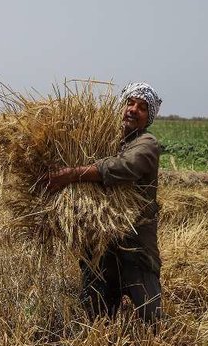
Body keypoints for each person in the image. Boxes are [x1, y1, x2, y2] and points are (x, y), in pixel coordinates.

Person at [45, 82, 163, 324]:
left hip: (134, 240)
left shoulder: (146, 143)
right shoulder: (106, 140)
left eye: (142, 107)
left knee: (150, 315)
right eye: (130, 103)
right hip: (100, 241)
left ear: (148, 116)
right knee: (95, 311)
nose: (133, 109)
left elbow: (123, 167)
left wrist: (72, 173)